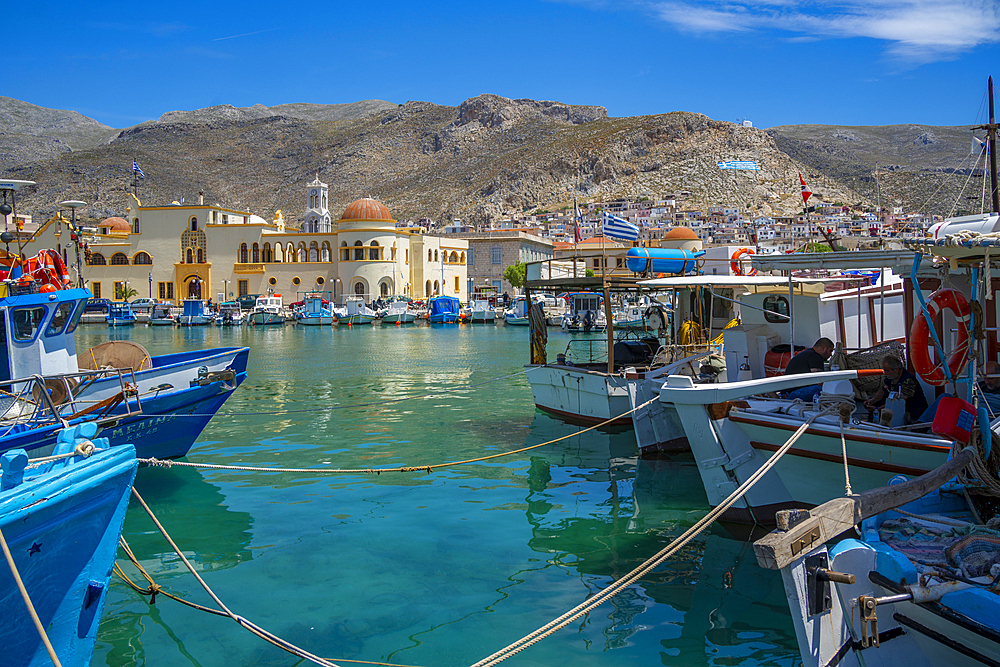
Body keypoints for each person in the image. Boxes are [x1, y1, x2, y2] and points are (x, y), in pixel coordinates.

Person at [864, 355, 928, 425]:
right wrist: (872, 400)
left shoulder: (908, 380)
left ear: (896, 370)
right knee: (874, 400)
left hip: (911, 410)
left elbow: (898, 401)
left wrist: (877, 409)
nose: (885, 373)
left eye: (887, 371)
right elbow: (883, 390)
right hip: (894, 403)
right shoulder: (890, 377)